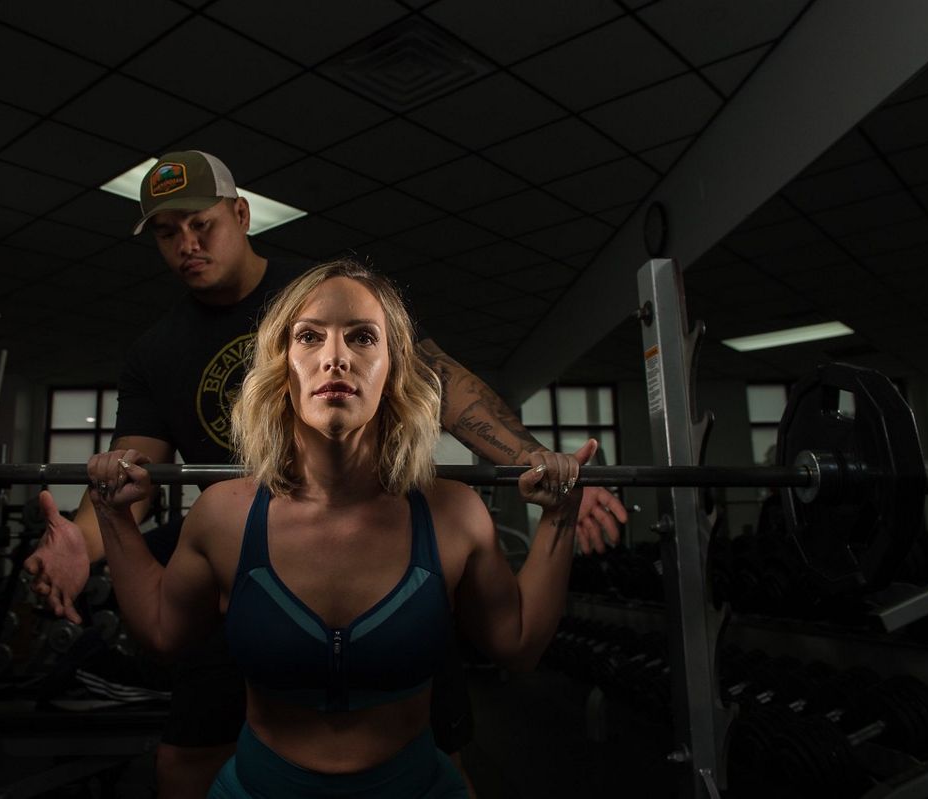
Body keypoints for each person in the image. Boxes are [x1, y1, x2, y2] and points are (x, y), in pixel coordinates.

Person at [24, 150, 627, 797]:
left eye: (200, 225)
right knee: (185, 761)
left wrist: (540, 461)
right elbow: (129, 470)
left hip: (383, 546)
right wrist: (80, 543)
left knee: (433, 742)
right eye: (167, 234)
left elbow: (445, 384)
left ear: (241, 213)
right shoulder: (157, 353)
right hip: (244, 570)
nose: (186, 245)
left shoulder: (325, 298)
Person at [86, 260, 594, 797]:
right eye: (309, 337)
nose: (335, 358)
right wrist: (114, 518)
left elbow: (518, 645)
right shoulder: (224, 514)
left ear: (394, 371)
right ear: (283, 368)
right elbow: (164, 633)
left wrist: (561, 517)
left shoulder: (454, 513)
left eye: (361, 338)